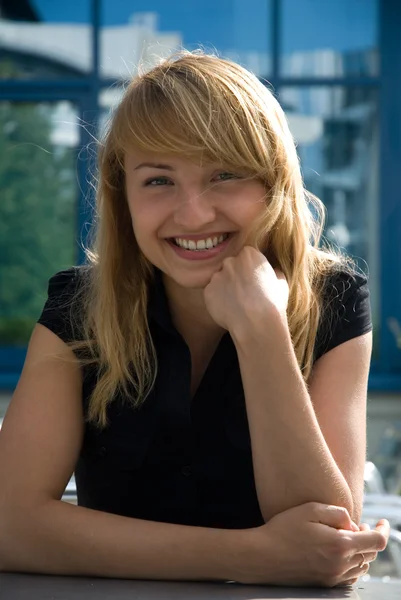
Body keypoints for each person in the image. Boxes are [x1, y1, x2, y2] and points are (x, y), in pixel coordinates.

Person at [0, 51, 389, 587]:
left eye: (225, 175)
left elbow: (323, 536)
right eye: (159, 181)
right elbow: (9, 526)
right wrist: (247, 556)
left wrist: (263, 332)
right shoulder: (79, 307)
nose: (194, 215)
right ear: (123, 196)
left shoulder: (336, 300)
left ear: (274, 183)